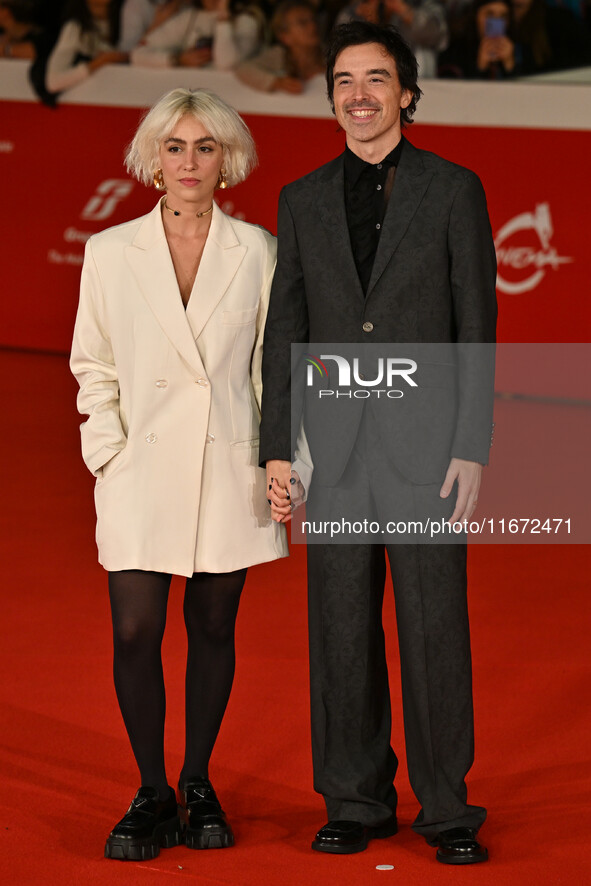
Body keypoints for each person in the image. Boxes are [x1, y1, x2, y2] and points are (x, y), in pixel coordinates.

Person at [259, 21, 497, 865]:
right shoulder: (301, 198)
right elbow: (285, 327)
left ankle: (445, 810)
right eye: (343, 82)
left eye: (376, 79)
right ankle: (354, 800)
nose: (358, 95)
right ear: (330, 98)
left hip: (429, 448)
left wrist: (472, 444)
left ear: (405, 93)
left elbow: (476, 326)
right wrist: (276, 449)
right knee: (339, 630)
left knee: (434, 629)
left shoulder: (453, 189)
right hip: (335, 451)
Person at [70, 87, 288, 861]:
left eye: (204, 147)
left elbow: (274, 369)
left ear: (227, 159)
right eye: (174, 146)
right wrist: (109, 451)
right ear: (151, 157)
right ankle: (150, 789)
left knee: (213, 628)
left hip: (226, 467)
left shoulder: (259, 250)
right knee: (134, 630)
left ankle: (196, 784)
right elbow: (92, 364)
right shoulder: (108, 252)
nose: (188, 162)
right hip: (138, 468)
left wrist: (283, 459)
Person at [130, 0, 261, 69]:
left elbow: (226, 63)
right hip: (189, 95)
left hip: (227, 101)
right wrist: (177, 60)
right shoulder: (189, 17)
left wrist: (222, 18)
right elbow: (138, 54)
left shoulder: (246, 21)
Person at [235, 0, 324, 94]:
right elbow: (244, 69)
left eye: (314, 20)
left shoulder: (331, 55)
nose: (313, 26)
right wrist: (277, 82)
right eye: (303, 23)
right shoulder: (279, 55)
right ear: (284, 36)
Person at [45, 0, 128, 95]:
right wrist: (99, 62)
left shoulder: (126, 16)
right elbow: (53, 81)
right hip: (92, 97)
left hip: (122, 91)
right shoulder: (75, 28)